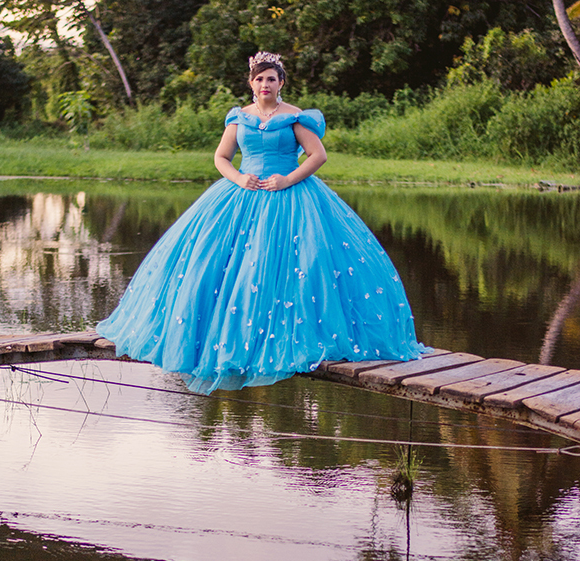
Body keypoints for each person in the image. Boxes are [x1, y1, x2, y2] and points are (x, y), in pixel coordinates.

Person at [97, 51, 426, 395]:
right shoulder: (239, 118)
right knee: (216, 264)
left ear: (281, 83)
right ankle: (223, 339)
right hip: (242, 194)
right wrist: (239, 178)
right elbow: (221, 157)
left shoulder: (295, 117)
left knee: (297, 265)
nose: (265, 84)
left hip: (290, 195)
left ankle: (288, 338)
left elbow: (318, 155)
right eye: (259, 78)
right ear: (251, 83)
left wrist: (288, 179)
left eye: (271, 78)